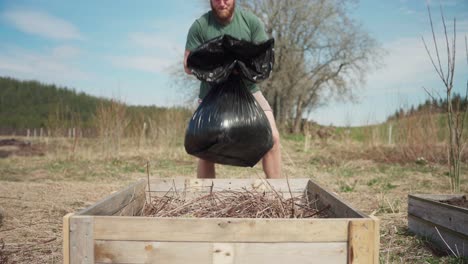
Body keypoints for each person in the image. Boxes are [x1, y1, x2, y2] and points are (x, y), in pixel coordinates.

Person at [184, 0, 281, 179]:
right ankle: (206, 201)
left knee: (273, 139)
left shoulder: (251, 22)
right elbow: (188, 66)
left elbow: (263, 59)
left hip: (249, 91)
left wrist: (240, 64)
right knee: (205, 146)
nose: (222, 3)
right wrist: (218, 64)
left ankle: (279, 195)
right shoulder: (200, 26)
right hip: (211, 94)